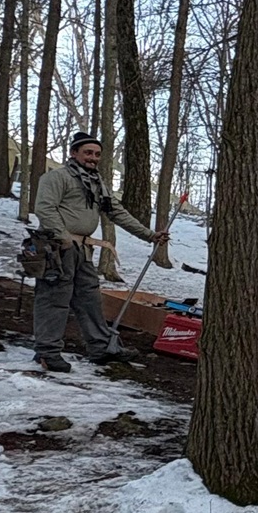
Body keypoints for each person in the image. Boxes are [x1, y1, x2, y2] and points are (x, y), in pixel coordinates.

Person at [30, 133, 168, 373]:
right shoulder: (57, 177)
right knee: (55, 300)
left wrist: (149, 235)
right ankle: (47, 352)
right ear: (74, 153)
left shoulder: (97, 184)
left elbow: (117, 212)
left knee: (90, 298)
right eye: (88, 153)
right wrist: (62, 239)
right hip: (57, 248)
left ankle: (101, 347)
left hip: (83, 250)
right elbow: (44, 208)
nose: (93, 158)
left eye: (96, 154)